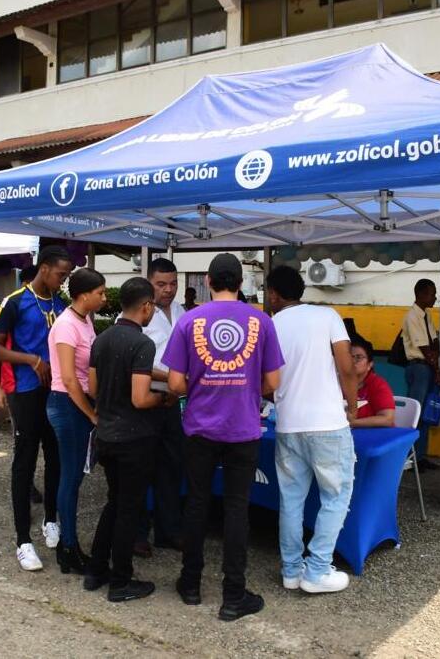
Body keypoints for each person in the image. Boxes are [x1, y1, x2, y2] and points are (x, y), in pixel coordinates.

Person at [164, 253, 284, 622]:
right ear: (241, 283)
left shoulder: (189, 320)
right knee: (236, 507)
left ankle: (190, 584)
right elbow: (273, 382)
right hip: (243, 428)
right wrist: (248, 391)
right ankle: (234, 594)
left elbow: (174, 382)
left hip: (199, 427)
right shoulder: (261, 321)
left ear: (209, 282)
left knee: (198, 502)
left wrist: (200, 389)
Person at [266, 265, 359, 595]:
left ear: (275, 294)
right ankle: (317, 569)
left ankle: (291, 571)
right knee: (336, 496)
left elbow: (266, 380)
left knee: (291, 501)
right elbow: (346, 367)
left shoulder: (271, 325)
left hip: (288, 424)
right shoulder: (327, 316)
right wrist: (352, 403)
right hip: (327, 423)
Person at [84, 277, 169, 602]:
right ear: (146, 306)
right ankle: (121, 581)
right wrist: (164, 400)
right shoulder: (143, 344)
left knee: (114, 502)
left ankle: (95, 570)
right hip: (134, 438)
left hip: (106, 434)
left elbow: (93, 388)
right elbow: (139, 398)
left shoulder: (102, 339)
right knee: (128, 510)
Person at [0, 247, 71, 572]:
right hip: (25, 391)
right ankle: (22, 539)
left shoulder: (61, 303)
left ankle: (51, 518)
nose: (63, 280)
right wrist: (30, 359)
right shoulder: (15, 301)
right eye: (61, 274)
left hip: (57, 391)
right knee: (25, 461)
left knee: (56, 457)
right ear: (46, 269)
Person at [46, 267, 107, 575]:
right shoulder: (67, 325)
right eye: (100, 293)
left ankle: (69, 544)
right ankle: (68, 547)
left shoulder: (85, 322)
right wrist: (91, 413)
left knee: (75, 477)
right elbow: (69, 379)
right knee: (70, 478)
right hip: (68, 405)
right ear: (84, 295)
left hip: (78, 404)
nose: (104, 297)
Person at [134, 257, 187, 558]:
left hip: (174, 401)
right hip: (147, 397)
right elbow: (135, 361)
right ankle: (139, 533)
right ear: (149, 282)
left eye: (173, 283)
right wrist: (170, 376)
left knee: (171, 466)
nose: (168, 290)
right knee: (141, 468)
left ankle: (168, 530)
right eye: (161, 284)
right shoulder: (137, 314)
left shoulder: (182, 312)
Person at [0, 265, 44, 503]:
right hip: (16, 386)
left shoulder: (47, 308)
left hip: (39, 387)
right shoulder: (12, 307)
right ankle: (26, 484)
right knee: (22, 442)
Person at [401, 279, 440, 471]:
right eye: (431, 293)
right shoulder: (412, 316)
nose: (435, 297)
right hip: (419, 367)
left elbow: (436, 343)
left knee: (426, 414)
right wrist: (437, 370)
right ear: (420, 294)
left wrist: (435, 363)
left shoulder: (427, 315)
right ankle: (407, 457)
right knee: (415, 413)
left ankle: (421, 456)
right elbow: (425, 348)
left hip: (429, 365)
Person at [349, 338, 396, 428]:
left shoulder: (378, 384)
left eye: (358, 357)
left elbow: (387, 419)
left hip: (376, 435)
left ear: (370, 364)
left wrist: (351, 423)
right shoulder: (338, 382)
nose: (353, 361)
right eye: (350, 357)